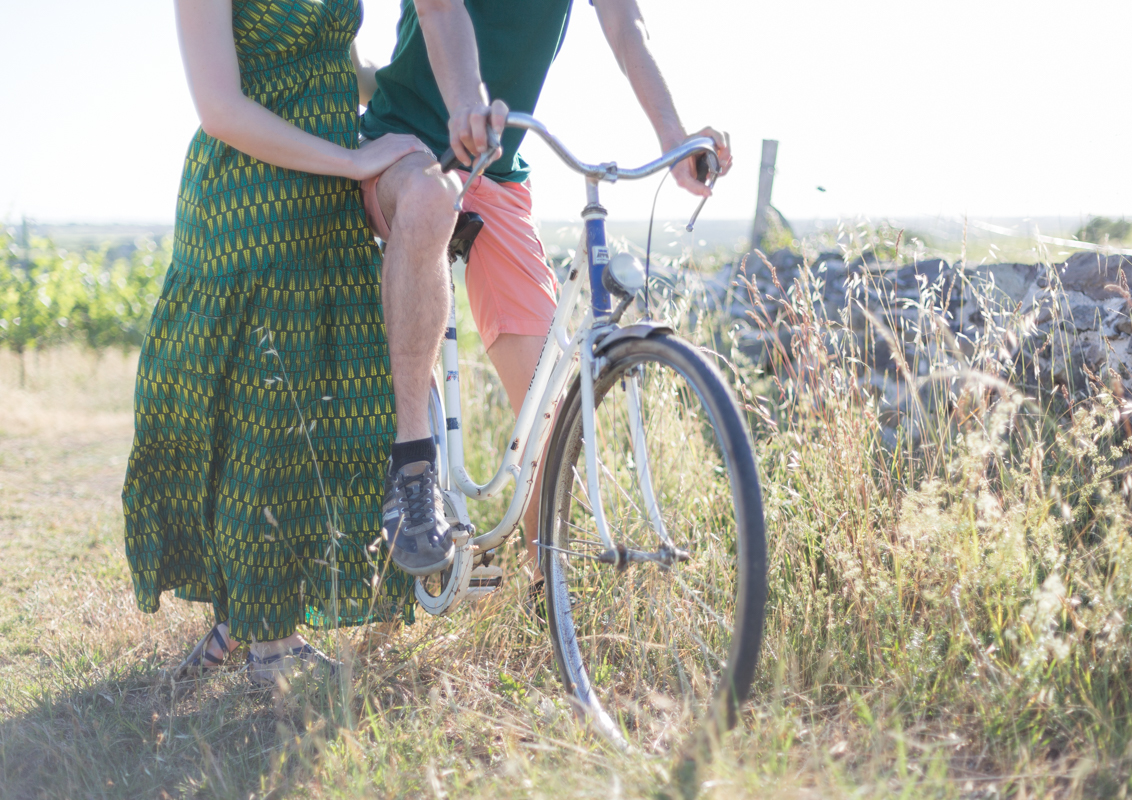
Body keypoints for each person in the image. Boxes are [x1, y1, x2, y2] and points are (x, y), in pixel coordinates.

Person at [359, 0, 732, 581]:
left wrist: (675, 139)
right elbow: (438, 7)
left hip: (498, 168)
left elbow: (624, 22)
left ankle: (549, 588)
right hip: (408, 148)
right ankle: (413, 465)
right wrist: (466, 103)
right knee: (427, 203)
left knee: (545, 405)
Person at [122, 0, 428, 687]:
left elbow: (347, 70)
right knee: (258, 414)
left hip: (327, 204)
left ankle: (252, 617)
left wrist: (432, 104)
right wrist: (353, 160)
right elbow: (221, 109)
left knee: (317, 413)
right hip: (249, 200)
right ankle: (269, 640)